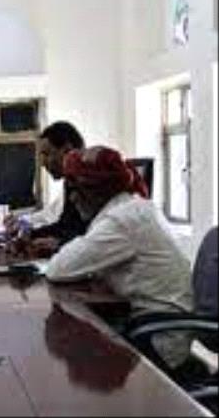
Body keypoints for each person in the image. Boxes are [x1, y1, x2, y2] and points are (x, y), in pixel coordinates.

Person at [46, 146, 193, 369]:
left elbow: (57, 269)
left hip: (156, 339)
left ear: (97, 191)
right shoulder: (133, 207)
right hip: (153, 326)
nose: (73, 199)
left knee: (70, 352)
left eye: (76, 189)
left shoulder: (121, 220)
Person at [6, 121, 88, 256]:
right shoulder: (70, 182)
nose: (43, 163)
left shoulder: (90, 182)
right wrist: (30, 235)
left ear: (67, 150)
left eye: (47, 154)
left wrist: (60, 244)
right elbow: (66, 225)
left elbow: (94, 233)